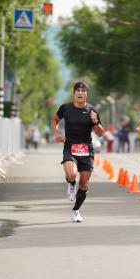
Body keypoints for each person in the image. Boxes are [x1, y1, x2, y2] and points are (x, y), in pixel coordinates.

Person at [51, 81, 104, 223]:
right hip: (70, 146)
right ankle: (71, 183)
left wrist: (95, 122)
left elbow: (100, 133)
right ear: (74, 93)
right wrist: (56, 133)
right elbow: (55, 119)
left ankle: (76, 211)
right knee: (71, 174)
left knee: (85, 184)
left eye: (83, 91)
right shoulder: (66, 108)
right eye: (77, 91)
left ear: (87, 94)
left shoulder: (92, 110)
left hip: (86, 149)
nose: (80, 93)